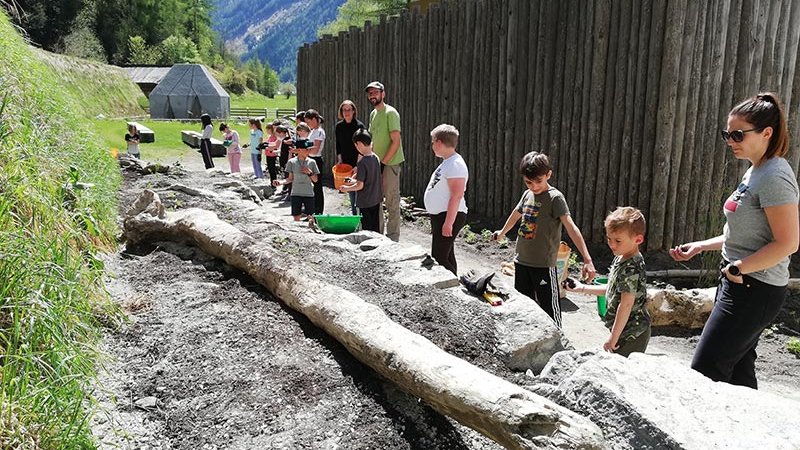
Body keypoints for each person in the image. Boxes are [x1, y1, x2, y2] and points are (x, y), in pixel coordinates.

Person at [670, 93, 799, 389]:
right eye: (727, 134)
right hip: (740, 282)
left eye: (738, 134)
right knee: (739, 376)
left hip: (755, 289)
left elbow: (788, 242)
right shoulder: (755, 170)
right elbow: (742, 233)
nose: (731, 140)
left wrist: (739, 268)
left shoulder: (774, 177)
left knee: (705, 370)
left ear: (767, 133)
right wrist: (703, 246)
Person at [492, 151, 596, 328]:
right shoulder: (527, 195)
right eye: (528, 182)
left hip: (543, 266)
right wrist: (502, 233)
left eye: (538, 181)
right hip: (522, 261)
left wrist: (587, 259)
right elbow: (515, 215)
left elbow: (571, 228)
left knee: (549, 307)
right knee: (523, 305)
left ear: (548, 174)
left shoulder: (555, 198)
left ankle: (558, 340)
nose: (533, 186)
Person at [566, 207, 651, 356]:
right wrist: (582, 288)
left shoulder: (631, 267)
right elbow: (612, 288)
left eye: (618, 241)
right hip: (623, 331)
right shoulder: (621, 257)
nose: (612, 245)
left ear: (638, 239)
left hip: (632, 334)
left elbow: (626, 304)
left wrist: (613, 337)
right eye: (609, 239)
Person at [423, 124, 468, 275]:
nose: (432, 146)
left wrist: (449, 222)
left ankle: (452, 287)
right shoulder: (448, 162)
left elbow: (457, 195)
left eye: (433, 142)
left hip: (449, 216)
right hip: (441, 215)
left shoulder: (456, 164)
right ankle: (454, 286)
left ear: (439, 142)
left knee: (439, 257)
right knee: (447, 254)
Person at [366, 81, 404, 242]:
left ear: (383, 94)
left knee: (392, 201)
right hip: (377, 164)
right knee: (376, 200)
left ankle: (393, 238)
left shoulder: (391, 113)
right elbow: (372, 141)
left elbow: (396, 141)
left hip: (390, 164)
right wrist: (370, 161)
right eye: (370, 93)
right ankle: (379, 236)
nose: (372, 95)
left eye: (375, 92)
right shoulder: (373, 114)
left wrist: (383, 164)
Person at [339, 128, 382, 233]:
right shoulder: (376, 158)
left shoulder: (362, 163)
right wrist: (353, 180)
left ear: (359, 144)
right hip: (376, 200)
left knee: (366, 230)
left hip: (365, 203)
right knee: (375, 228)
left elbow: (360, 186)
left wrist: (346, 188)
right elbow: (368, 179)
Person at [273, 139, 319, 221]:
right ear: (299, 150)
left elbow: (315, 180)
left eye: (310, 149)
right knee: (296, 217)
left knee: (311, 218)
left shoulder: (312, 162)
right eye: (307, 149)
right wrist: (280, 182)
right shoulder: (291, 162)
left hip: (309, 193)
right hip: (295, 193)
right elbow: (290, 179)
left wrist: (310, 173)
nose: (309, 151)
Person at [335, 100, 366, 215]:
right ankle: (354, 217)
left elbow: (363, 147)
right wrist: (340, 160)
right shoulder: (339, 126)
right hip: (345, 164)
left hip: (358, 162)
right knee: (351, 192)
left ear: (353, 111)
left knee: (358, 190)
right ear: (341, 112)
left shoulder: (359, 126)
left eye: (349, 110)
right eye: (344, 110)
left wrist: (357, 165)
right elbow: (338, 145)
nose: (346, 112)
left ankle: (360, 219)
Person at [305, 109, 326, 215]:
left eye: (308, 122)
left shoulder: (319, 132)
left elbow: (315, 149)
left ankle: (318, 211)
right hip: (310, 159)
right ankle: (311, 210)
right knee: (311, 186)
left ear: (314, 119)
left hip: (316, 160)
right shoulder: (313, 131)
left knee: (317, 186)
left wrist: (305, 150)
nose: (308, 124)